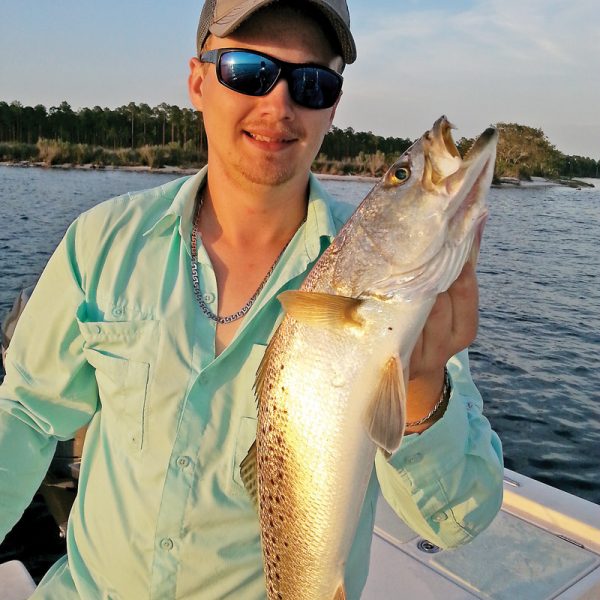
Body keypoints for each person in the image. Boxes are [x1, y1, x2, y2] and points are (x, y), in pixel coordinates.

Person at [0, 0, 504, 598]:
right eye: (247, 69)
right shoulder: (100, 242)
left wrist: (421, 388)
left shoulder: (415, 302)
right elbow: (28, 414)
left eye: (312, 82)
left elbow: (457, 521)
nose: (279, 105)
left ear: (333, 106)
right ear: (197, 81)